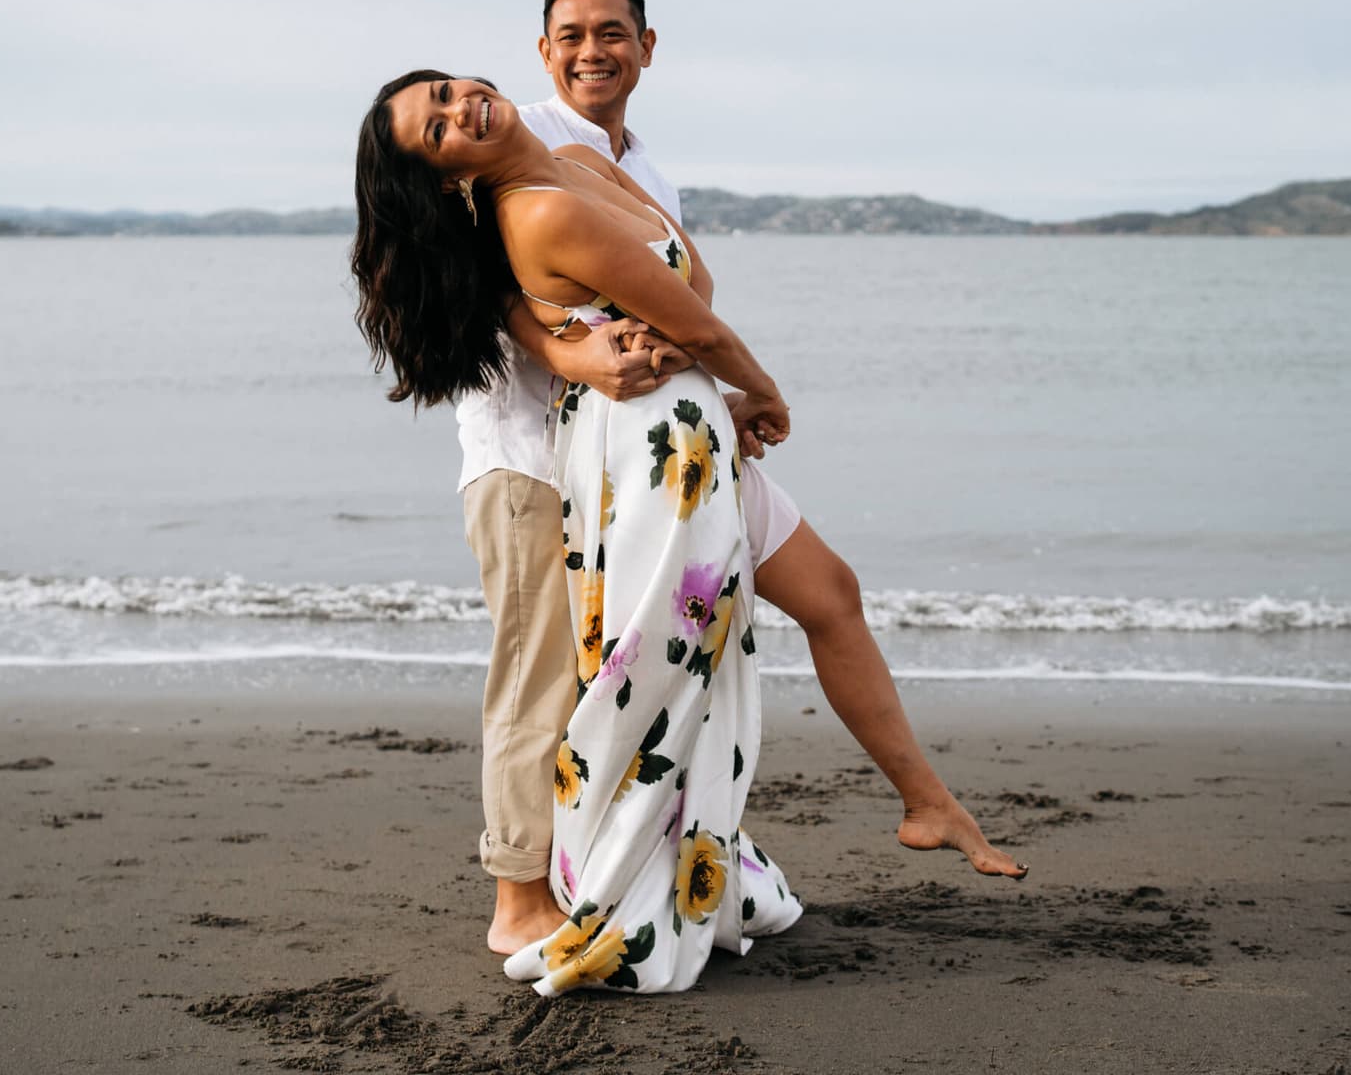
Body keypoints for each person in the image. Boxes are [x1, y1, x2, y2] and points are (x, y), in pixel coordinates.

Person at [353, 66, 1024, 995]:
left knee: (821, 597)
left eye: (449, 91)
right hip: (648, 451)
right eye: (438, 128)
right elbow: (693, 317)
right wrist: (758, 386)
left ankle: (924, 804)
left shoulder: (584, 162)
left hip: (691, 432)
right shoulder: (539, 211)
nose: (461, 107)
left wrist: (666, 340)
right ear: (446, 175)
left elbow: (687, 281)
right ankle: (572, 887)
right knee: (645, 677)